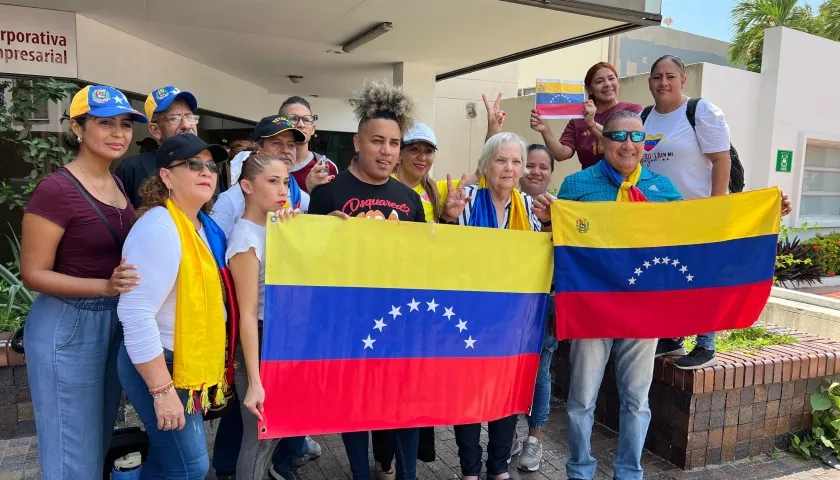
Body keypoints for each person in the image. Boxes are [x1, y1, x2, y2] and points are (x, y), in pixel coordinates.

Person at [20, 85, 145, 479]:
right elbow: (33, 273)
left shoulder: (117, 183)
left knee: (96, 439)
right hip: (68, 325)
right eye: (104, 123)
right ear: (77, 127)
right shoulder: (56, 190)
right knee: (71, 447)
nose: (118, 133)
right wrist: (104, 287)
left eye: (125, 124)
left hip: (110, 321)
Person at [557, 110, 682, 480]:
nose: (628, 145)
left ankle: (629, 473)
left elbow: (696, 234)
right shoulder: (576, 187)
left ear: (645, 144)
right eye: (618, 136)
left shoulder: (665, 190)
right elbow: (560, 244)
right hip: (593, 308)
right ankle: (580, 470)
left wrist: (768, 214)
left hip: (643, 311)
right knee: (581, 400)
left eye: (636, 138)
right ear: (601, 141)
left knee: (637, 402)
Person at [308, 79, 423, 480]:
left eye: (394, 143)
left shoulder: (410, 199)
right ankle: (359, 473)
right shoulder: (327, 194)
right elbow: (309, 262)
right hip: (347, 322)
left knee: (402, 408)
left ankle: (404, 473)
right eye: (378, 141)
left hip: (399, 321)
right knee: (354, 407)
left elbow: (423, 262)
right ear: (358, 142)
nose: (387, 151)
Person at [117, 134, 232, 477]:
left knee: (170, 458)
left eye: (211, 165)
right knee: (191, 466)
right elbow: (135, 313)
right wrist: (162, 390)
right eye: (192, 164)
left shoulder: (201, 225)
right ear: (166, 177)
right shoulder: (160, 228)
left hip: (181, 358)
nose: (206, 172)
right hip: (161, 362)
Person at [439, 132, 551, 480]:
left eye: (516, 161)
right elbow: (440, 255)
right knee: (467, 397)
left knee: (506, 394)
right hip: (467, 317)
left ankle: (499, 467)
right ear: (487, 164)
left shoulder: (528, 208)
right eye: (501, 160)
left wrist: (547, 224)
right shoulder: (466, 199)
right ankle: (470, 470)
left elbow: (537, 259)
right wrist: (447, 220)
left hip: (512, 322)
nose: (509, 167)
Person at [226, 150, 298, 479]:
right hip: (258, 341)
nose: (283, 190)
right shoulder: (245, 240)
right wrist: (254, 381)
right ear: (247, 186)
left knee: (271, 434)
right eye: (272, 182)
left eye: (285, 182)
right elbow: (246, 314)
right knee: (258, 437)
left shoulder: (272, 228)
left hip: (277, 339)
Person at [512, 144, 559, 473]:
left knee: (540, 373)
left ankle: (534, 440)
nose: (535, 171)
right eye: (529, 164)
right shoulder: (507, 203)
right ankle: (510, 435)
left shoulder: (561, 210)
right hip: (511, 304)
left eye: (543, 166)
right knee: (509, 372)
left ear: (551, 174)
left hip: (546, 303)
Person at [522, 62, 643, 170]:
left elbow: (624, 140)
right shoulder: (578, 119)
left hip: (627, 182)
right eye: (599, 81)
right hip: (590, 185)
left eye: (611, 79)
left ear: (618, 82)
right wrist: (545, 130)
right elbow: (562, 154)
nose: (607, 84)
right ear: (589, 89)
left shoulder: (632, 111)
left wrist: (592, 124)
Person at [211, 116, 308, 237]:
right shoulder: (231, 200)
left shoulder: (302, 199)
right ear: (258, 148)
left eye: (291, 145)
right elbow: (214, 249)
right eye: (277, 143)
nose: (286, 150)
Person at [115, 85, 200, 208]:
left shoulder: (206, 166)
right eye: (174, 118)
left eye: (190, 117)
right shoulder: (132, 169)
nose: (186, 125)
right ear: (155, 130)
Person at [278, 96, 339, 193]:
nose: (301, 125)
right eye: (293, 118)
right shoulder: (264, 165)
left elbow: (332, 206)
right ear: (280, 126)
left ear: (313, 128)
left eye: (306, 120)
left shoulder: (325, 167)